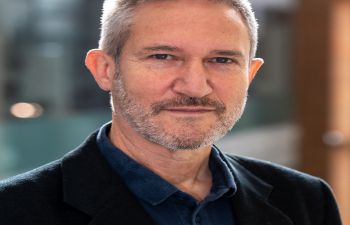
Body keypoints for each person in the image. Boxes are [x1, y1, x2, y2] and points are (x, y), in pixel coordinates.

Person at [0, 0, 342, 224]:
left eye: (222, 60)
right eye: (163, 56)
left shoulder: (306, 201)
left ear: (249, 75)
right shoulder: (15, 211)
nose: (195, 86)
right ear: (104, 69)